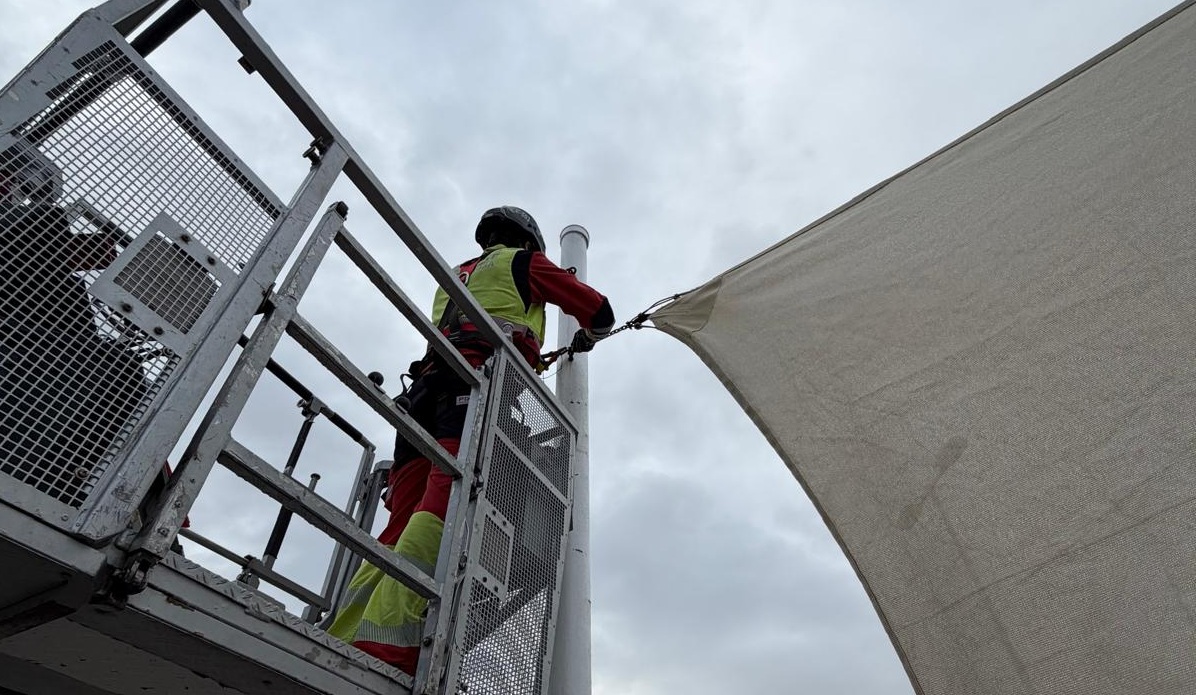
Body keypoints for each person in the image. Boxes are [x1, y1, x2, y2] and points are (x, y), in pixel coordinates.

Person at [327, 205, 614, 674]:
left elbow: (485, 323)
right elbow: (600, 312)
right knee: (443, 504)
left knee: (399, 523)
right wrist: (588, 334)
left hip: (423, 393)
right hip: (473, 388)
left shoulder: (457, 275)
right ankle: (387, 644)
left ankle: (344, 633)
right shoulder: (524, 263)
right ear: (528, 241)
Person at [0, 147, 148, 505]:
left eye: (18, 185)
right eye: (10, 181)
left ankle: (74, 487)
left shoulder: (34, 227)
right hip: (31, 348)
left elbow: (74, 256)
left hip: (45, 352)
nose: (13, 189)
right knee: (118, 368)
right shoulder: (38, 223)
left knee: (121, 368)